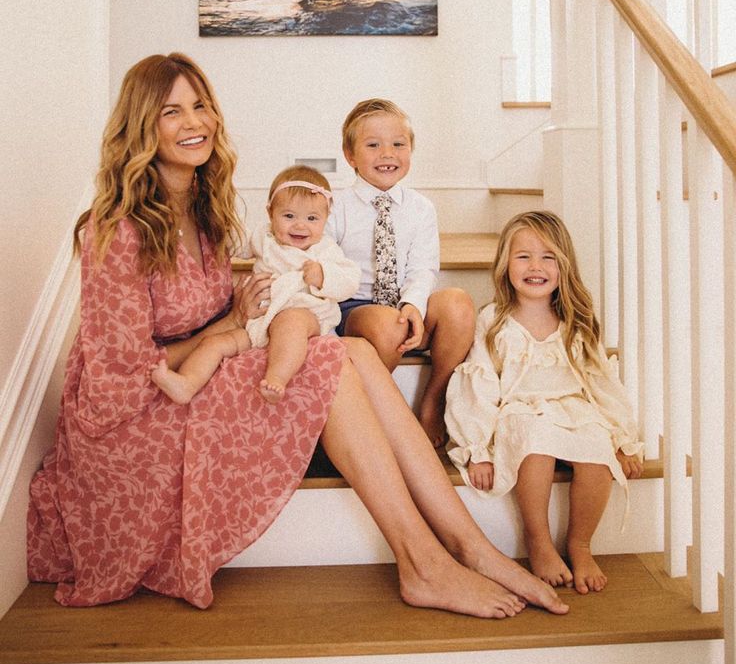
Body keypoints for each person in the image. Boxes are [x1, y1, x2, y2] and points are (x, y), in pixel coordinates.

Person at [26, 53, 568, 618]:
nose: (195, 123)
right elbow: (118, 374)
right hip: (140, 414)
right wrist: (227, 330)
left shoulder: (207, 212)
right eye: (172, 112)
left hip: (203, 371)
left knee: (351, 348)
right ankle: (425, 564)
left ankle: (471, 548)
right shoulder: (114, 231)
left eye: (201, 106)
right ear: (143, 127)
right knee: (326, 359)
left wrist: (231, 327)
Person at [444, 211, 644, 595]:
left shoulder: (576, 322)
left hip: (573, 407)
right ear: (505, 264)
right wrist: (478, 449)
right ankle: (539, 541)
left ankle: (580, 544)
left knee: (595, 449)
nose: (535, 266)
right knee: (535, 446)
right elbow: (479, 384)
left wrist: (622, 438)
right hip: (519, 409)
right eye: (523, 257)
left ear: (563, 266)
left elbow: (601, 383)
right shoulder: (494, 321)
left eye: (547, 257)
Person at [327, 98, 476, 448]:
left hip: (403, 307)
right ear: (350, 155)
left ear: (410, 150)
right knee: (387, 323)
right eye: (373, 145)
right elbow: (327, 266)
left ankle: (434, 399)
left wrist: (412, 304)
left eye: (398, 144)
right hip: (355, 310)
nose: (387, 154)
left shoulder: (421, 209)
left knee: (458, 304)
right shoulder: (336, 206)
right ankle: (375, 413)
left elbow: (423, 267)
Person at [151, 164, 361, 405]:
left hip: (307, 318)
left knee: (290, 323)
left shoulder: (324, 249)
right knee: (215, 343)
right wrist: (217, 226)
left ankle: (277, 378)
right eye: (289, 216)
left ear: (325, 219)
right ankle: (187, 383)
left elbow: (350, 279)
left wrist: (324, 276)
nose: (300, 225)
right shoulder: (264, 237)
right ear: (270, 213)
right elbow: (236, 243)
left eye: (312, 218)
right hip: (260, 322)